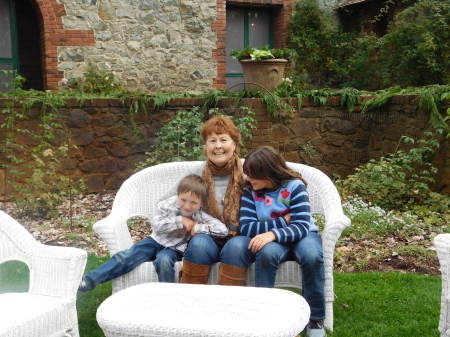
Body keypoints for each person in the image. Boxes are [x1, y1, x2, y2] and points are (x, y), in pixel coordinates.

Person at [221, 146, 327, 337]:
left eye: (253, 175)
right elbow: (247, 227)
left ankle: (315, 319)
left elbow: (302, 225)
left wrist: (272, 234)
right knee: (267, 253)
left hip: (303, 236)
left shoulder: (295, 187)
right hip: (276, 239)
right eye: (247, 174)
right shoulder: (250, 191)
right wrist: (283, 221)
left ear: (268, 173)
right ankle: (265, 314)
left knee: (313, 256)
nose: (249, 179)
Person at [78, 174, 228, 292]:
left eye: (193, 203)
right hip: (154, 241)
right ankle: (88, 281)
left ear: (201, 203)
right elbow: (156, 225)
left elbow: (223, 230)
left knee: (163, 261)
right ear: (178, 195)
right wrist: (180, 221)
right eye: (183, 200)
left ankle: (167, 297)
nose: (187, 206)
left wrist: (196, 228)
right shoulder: (168, 204)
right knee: (125, 256)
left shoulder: (200, 215)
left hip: (174, 249)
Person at [158, 115, 245, 284]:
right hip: (208, 238)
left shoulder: (247, 170)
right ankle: (192, 303)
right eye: (212, 140)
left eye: (223, 140)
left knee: (236, 247)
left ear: (234, 144)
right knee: (199, 243)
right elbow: (163, 202)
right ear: (206, 146)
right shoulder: (197, 172)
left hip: (239, 238)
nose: (218, 146)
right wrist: (181, 220)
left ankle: (229, 304)